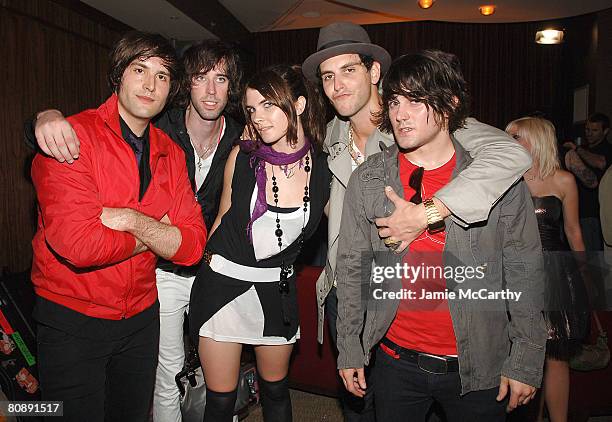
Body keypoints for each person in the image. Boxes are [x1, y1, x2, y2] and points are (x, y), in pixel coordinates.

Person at [301, 21, 532, 420]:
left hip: (465, 334)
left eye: (349, 70)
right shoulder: (325, 141)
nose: (337, 85)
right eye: (327, 76)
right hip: (362, 304)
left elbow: (511, 158)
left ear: (374, 73)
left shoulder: (431, 124)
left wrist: (428, 212)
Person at [25, 40, 243, 421]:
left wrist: (127, 219)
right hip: (74, 319)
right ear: (118, 75)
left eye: (161, 76)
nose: (150, 85)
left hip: (142, 316)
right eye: (140, 70)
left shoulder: (169, 150)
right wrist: (160, 235)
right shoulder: (70, 136)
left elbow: (192, 246)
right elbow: (79, 245)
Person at [188, 64, 331, 422]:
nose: (259, 117)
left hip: (276, 292)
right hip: (221, 286)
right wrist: (197, 276)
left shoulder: (325, 169)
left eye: (268, 105)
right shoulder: (243, 156)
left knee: (276, 392)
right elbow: (222, 218)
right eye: (252, 109)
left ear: (297, 105)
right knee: (221, 401)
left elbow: (348, 228)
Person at [506, 117, 589, 422]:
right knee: (521, 354)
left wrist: (586, 280)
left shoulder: (563, 180)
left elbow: (574, 232)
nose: (508, 140)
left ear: (535, 139)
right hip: (515, 274)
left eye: (515, 136)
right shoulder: (505, 178)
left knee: (555, 357)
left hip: (555, 274)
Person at [563, 112, 612, 250]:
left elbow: (600, 162)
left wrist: (577, 149)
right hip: (577, 211)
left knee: (593, 261)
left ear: (606, 131)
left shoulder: (608, 150)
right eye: (587, 129)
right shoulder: (583, 149)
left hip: (594, 214)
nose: (589, 133)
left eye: (595, 130)